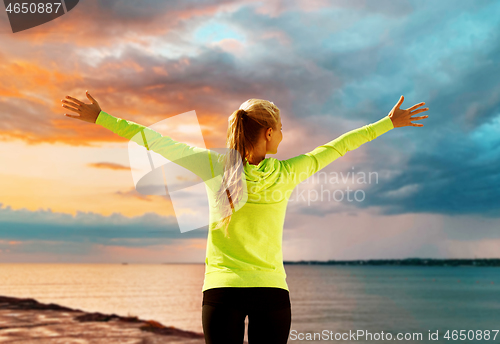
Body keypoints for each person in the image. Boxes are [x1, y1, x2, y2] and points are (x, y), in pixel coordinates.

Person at [61, 92, 429, 344]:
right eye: (280, 130)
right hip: (271, 292)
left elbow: (153, 140)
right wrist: (388, 123)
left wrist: (100, 117)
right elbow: (338, 146)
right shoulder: (288, 172)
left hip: (220, 293)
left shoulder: (213, 165)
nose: (282, 136)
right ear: (269, 134)